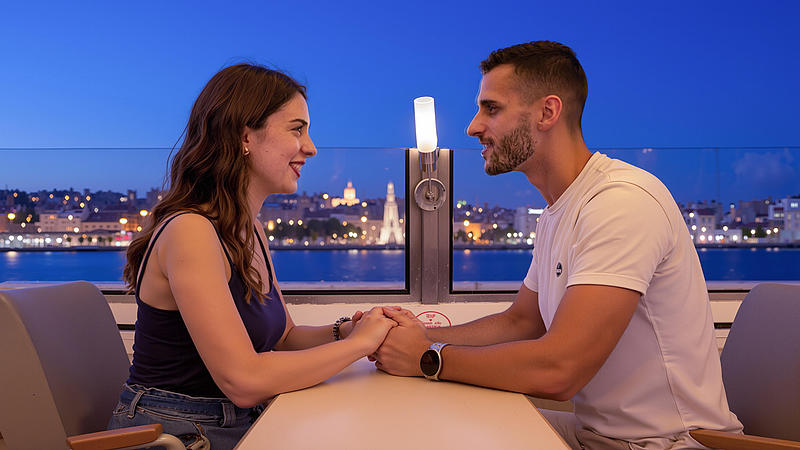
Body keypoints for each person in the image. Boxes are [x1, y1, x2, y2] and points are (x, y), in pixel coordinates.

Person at [374, 41, 743, 449]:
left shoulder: (621, 202)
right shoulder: (557, 212)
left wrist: (429, 359)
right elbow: (521, 323)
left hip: (668, 442)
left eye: (491, 108)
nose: (473, 126)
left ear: (548, 112)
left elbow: (560, 370)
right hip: (600, 436)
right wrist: (419, 336)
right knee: (439, 425)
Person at [108, 63, 397, 449]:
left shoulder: (250, 229)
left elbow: (283, 338)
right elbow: (243, 381)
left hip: (233, 423)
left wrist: (344, 331)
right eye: (297, 129)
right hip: (176, 434)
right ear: (246, 136)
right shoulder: (191, 231)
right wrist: (360, 345)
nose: (311, 147)